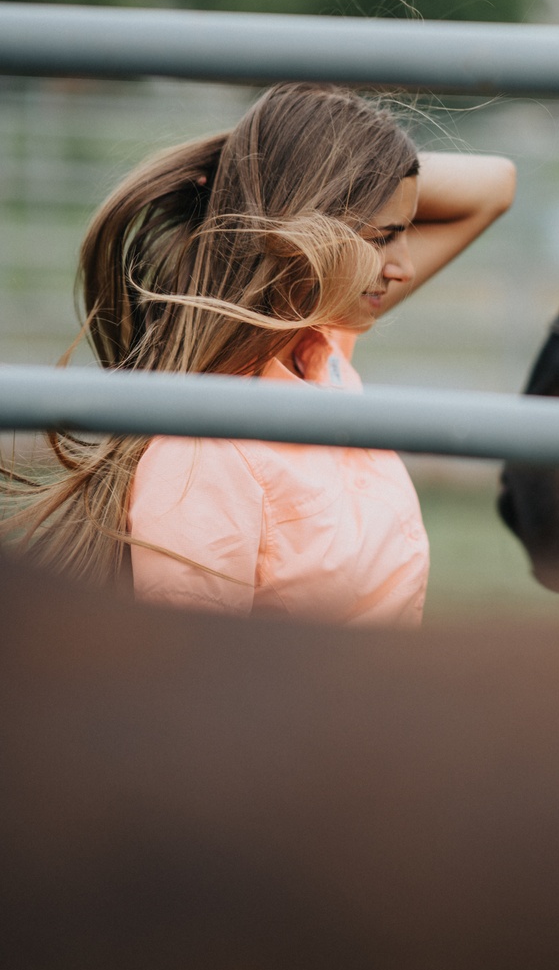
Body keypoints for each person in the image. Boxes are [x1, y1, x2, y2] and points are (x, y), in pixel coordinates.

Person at [4, 82, 516, 626]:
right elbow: (189, 680)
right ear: (305, 230)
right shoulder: (200, 455)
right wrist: (281, 173)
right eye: (383, 237)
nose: (405, 268)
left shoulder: (316, 346)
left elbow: (494, 186)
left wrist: (275, 163)